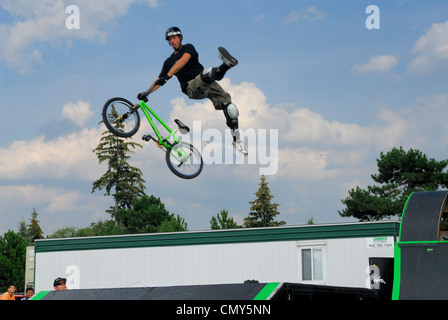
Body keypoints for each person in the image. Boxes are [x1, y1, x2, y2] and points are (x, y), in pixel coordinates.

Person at [138, 26, 248, 155]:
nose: (172, 41)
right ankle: (223, 67)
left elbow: (183, 61)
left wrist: (167, 76)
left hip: (209, 84)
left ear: (180, 38)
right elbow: (159, 79)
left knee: (231, 109)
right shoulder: (169, 62)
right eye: (169, 40)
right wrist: (147, 92)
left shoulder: (189, 48)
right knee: (207, 73)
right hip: (191, 88)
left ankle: (236, 140)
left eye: (174, 38)